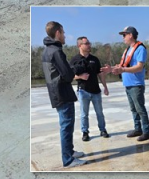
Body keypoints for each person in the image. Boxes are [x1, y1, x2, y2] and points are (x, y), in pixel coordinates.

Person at [41, 21, 89, 168]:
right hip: (62, 93)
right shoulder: (56, 51)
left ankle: (70, 152)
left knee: (66, 125)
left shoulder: (47, 50)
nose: (65, 35)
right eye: (63, 32)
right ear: (57, 33)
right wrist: (75, 69)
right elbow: (68, 76)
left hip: (56, 92)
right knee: (66, 126)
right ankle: (68, 159)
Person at [105, 25, 149, 141]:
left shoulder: (140, 49)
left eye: (124, 35)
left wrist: (123, 70)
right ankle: (137, 129)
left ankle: (146, 132)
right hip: (128, 84)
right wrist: (111, 69)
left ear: (131, 35)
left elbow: (139, 67)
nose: (123, 38)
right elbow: (123, 66)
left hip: (136, 84)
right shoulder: (127, 50)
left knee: (140, 109)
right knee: (133, 109)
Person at [69, 36, 110, 142]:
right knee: (84, 114)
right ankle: (85, 132)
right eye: (86, 43)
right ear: (79, 45)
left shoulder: (94, 59)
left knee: (99, 112)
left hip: (96, 91)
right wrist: (80, 77)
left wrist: (105, 87)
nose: (89, 45)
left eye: (89, 43)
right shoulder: (74, 60)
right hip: (83, 91)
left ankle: (103, 130)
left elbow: (100, 74)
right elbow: (69, 76)